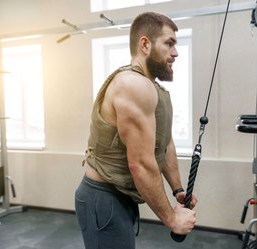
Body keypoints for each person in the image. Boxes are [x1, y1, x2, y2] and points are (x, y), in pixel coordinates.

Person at [75, 12, 198, 249]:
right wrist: (172, 219)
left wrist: (178, 189)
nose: (176, 53)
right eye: (169, 43)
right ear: (145, 44)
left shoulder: (152, 88)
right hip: (102, 196)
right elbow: (140, 164)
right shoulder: (133, 85)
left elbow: (164, 142)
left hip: (120, 196)